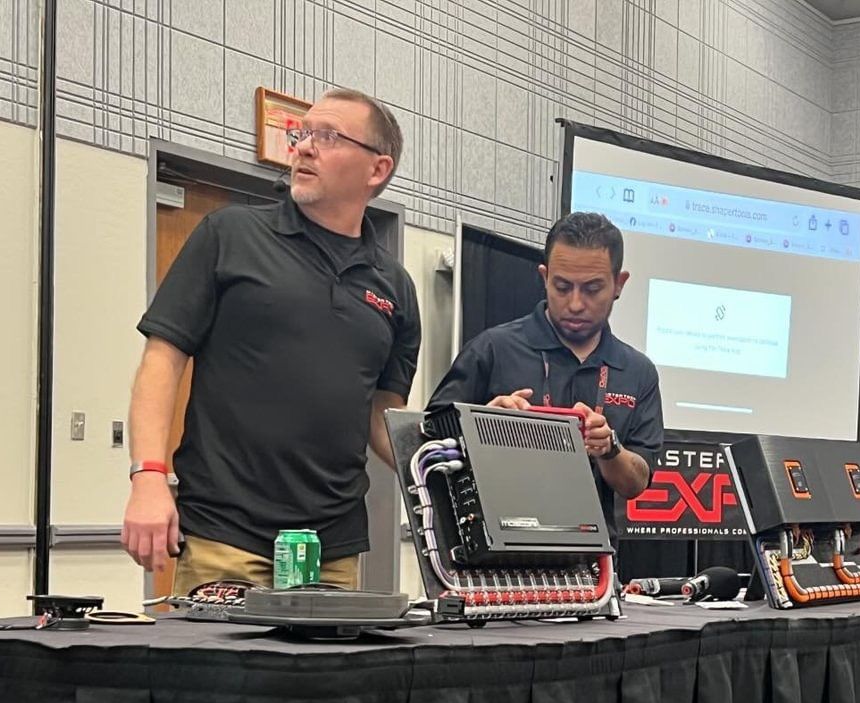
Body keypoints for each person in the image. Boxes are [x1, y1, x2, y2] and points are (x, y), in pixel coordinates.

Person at [121, 89, 421, 592]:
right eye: (302, 134)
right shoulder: (230, 234)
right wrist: (148, 476)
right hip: (227, 538)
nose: (303, 147)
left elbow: (382, 414)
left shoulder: (395, 286)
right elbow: (162, 358)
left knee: (326, 674)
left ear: (377, 169)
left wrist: (456, 454)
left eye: (327, 137)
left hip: (333, 551)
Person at [427, 212, 662, 542]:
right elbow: (428, 449)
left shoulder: (637, 372)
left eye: (593, 289)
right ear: (544, 276)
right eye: (562, 287)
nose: (576, 303)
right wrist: (483, 424)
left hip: (592, 558)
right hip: (497, 550)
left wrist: (609, 448)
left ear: (619, 284)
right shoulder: (493, 349)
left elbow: (636, 483)